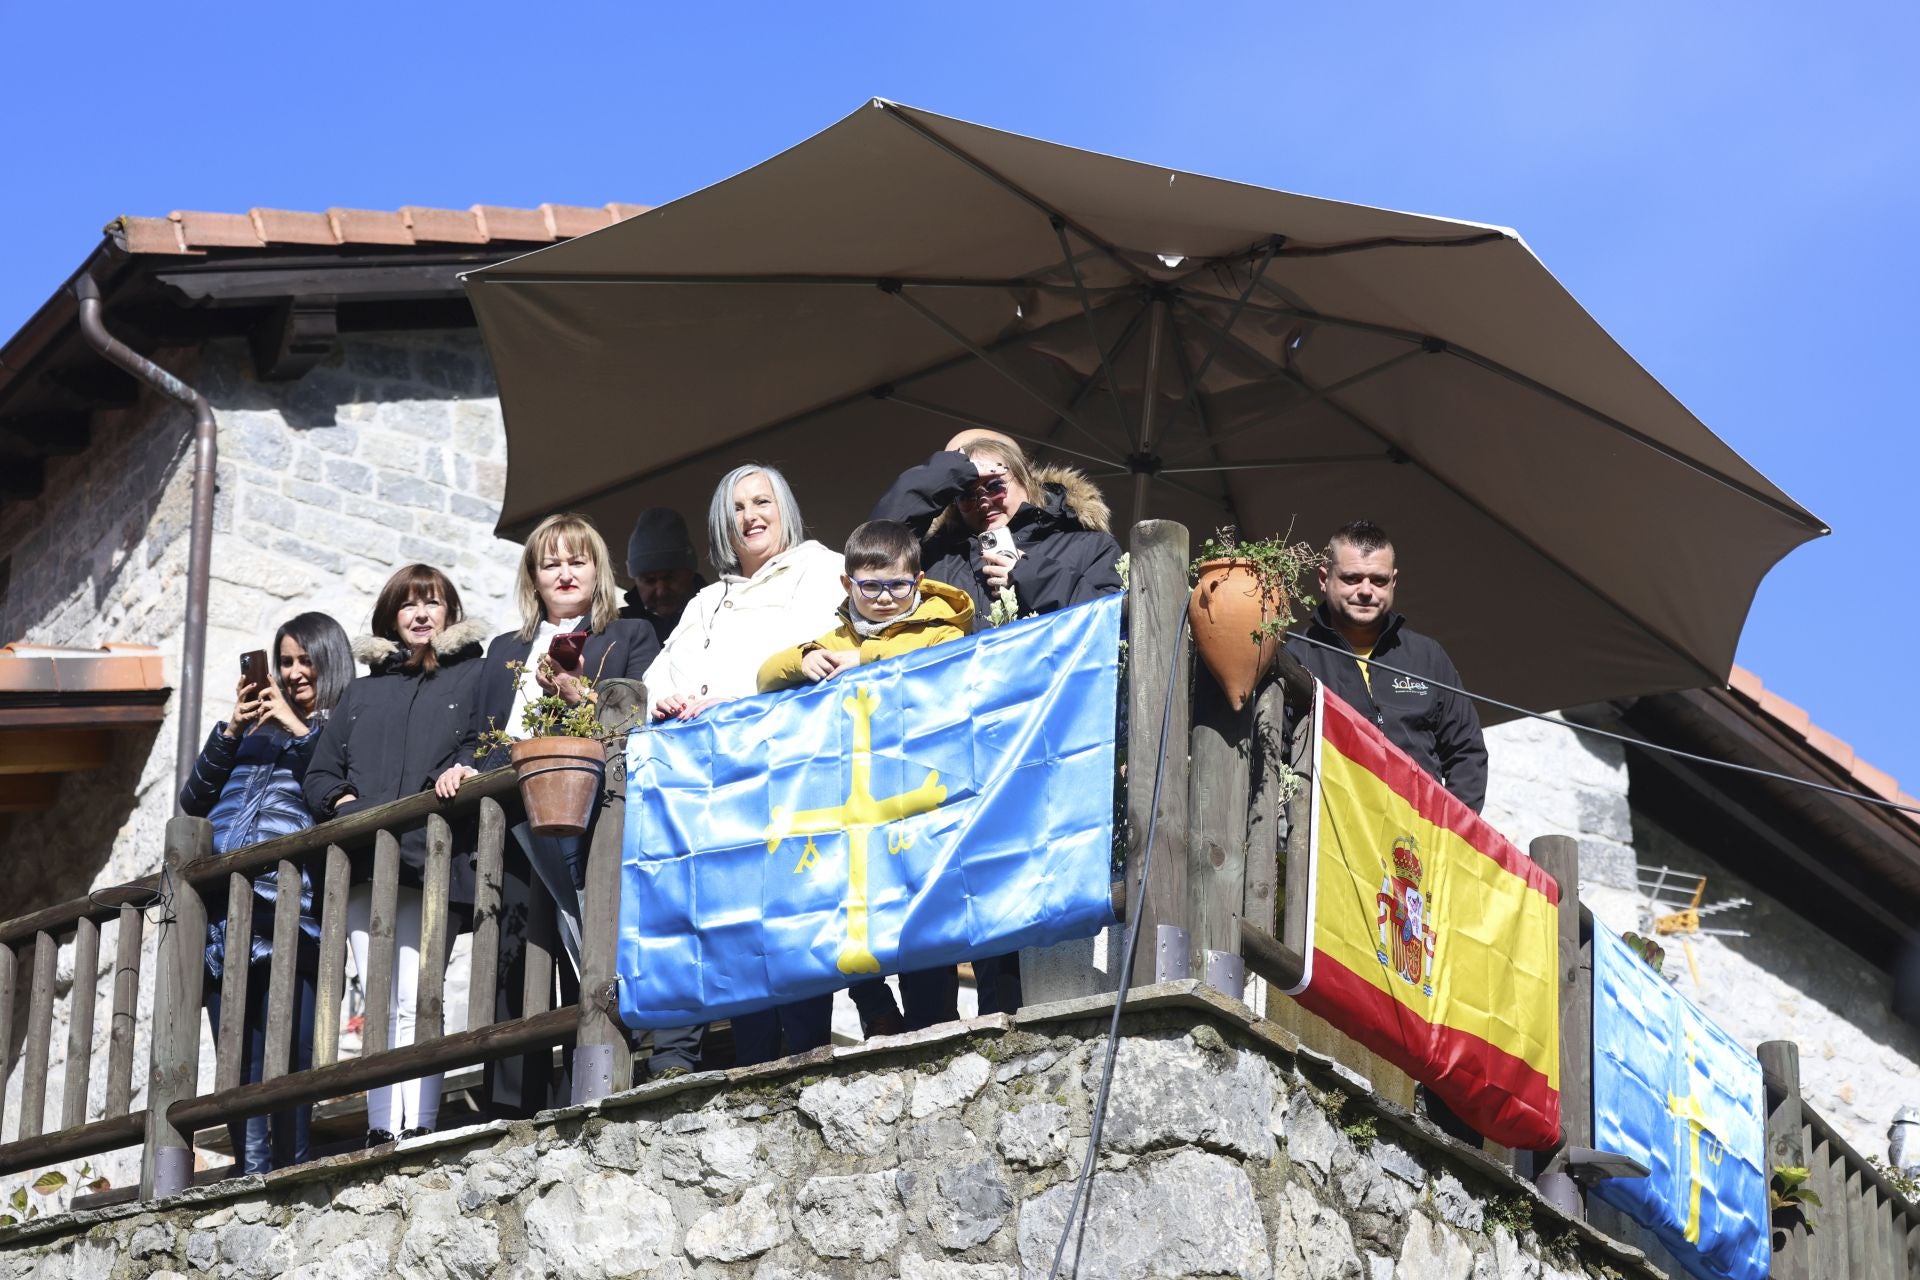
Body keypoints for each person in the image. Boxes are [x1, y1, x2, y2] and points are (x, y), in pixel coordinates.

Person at [871, 429, 1124, 1014]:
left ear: (1026, 479)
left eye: (994, 484)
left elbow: (1110, 626)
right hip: (947, 756)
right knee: (937, 904)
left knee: (1020, 916)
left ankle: (1013, 1034)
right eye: (965, 490)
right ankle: (926, 1042)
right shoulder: (936, 557)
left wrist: (1025, 577)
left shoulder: (1084, 545)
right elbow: (877, 543)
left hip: (1043, 753)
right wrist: (942, 474)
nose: (981, 498)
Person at [641, 463, 844, 1071]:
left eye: (762, 502)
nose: (751, 516)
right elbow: (657, 682)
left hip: (790, 774)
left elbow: (834, 660)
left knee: (793, 920)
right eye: (737, 507)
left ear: (785, 509)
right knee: (737, 929)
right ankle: (755, 1067)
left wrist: (742, 701)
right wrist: (667, 702)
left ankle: (808, 1059)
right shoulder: (709, 600)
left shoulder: (824, 570)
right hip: (716, 789)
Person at [756, 518, 975, 1037]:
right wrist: (806, 658)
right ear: (846, 584)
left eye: (897, 586)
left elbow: (941, 663)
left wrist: (864, 658)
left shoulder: (942, 627)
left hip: (917, 802)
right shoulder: (830, 639)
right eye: (869, 586)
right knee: (845, 913)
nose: (882, 597)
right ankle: (866, 1011)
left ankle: (932, 1032)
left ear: (917, 582)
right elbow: (766, 675)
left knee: (921, 926)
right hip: (850, 805)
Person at [303, 564, 490, 1145]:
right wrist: (345, 801)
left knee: (420, 995)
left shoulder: (474, 676)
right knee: (381, 995)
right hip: (366, 864)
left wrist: (464, 770)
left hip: (438, 859)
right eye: (408, 604)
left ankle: (422, 1123)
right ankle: (383, 1126)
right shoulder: (362, 691)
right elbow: (321, 771)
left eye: (433, 602)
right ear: (391, 616)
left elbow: (484, 742)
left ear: (450, 614)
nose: (421, 614)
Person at [440, 512, 660, 969]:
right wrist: (466, 767)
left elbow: (637, 720)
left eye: (577, 562)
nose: (564, 574)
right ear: (532, 578)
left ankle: (604, 1044)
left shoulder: (630, 633)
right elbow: (480, 733)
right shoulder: (504, 648)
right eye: (549, 564)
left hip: (590, 814)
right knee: (520, 965)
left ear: (597, 570)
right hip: (510, 820)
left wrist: (578, 694)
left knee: (593, 948)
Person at [181, 611, 351, 1173]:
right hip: (223, 922)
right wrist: (232, 728)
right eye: (284, 662)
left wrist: (301, 731)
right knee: (236, 1056)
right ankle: (252, 1173)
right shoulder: (249, 737)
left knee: (289, 1051)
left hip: (291, 915)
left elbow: (333, 789)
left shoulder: (339, 727)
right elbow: (194, 801)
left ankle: (290, 1166)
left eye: (306, 660)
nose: (294, 673)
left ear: (329, 663)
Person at [1283, 519, 1487, 813]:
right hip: (1330, 841)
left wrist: (1451, 828)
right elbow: (1275, 753)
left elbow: (1466, 752)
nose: (1366, 591)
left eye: (1378, 580)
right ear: (1323, 578)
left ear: (1394, 582)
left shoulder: (1427, 657)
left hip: (1420, 842)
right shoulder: (1295, 659)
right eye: (1352, 579)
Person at [620, 506, 706, 641]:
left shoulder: (719, 614)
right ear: (636, 580)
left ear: (690, 572)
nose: (661, 591)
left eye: (669, 578)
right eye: (649, 580)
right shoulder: (619, 628)